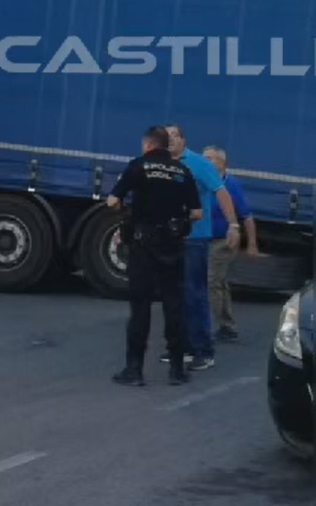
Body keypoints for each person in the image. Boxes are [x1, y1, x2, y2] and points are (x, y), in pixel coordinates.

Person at [105, 126, 203, 387]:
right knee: (174, 305)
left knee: (140, 307)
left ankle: (134, 370)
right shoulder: (182, 171)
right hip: (172, 245)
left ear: (148, 145)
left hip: (143, 245)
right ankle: (177, 370)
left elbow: (112, 201)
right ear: (166, 145)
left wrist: (126, 212)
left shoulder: (139, 166)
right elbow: (197, 213)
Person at [161, 124, 239, 371]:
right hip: (170, 238)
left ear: (183, 140)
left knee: (195, 294)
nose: (170, 140)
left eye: (175, 136)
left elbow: (221, 191)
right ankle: (182, 347)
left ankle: (203, 351)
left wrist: (233, 225)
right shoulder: (161, 164)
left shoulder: (200, 164)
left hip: (194, 239)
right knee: (175, 295)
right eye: (166, 137)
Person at [202, 146, 259, 343]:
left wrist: (252, 244)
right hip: (203, 239)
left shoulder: (230, 184)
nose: (205, 161)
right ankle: (227, 325)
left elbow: (247, 216)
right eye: (204, 158)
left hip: (223, 241)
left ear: (222, 162)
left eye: (210, 158)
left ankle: (220, 326)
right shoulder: (202, 182)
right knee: (219, 282)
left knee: (211, 281)